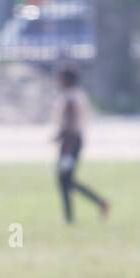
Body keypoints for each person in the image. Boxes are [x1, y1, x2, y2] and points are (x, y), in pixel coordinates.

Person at [54, 67, 110, 223]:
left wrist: (64, 142)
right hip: (73, 141)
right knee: (66, 180)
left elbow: (70, 124)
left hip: (70, 143)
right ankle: (75, 214)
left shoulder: (70, 98)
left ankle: (94, 205)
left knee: (65, 180)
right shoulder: (77, 95)